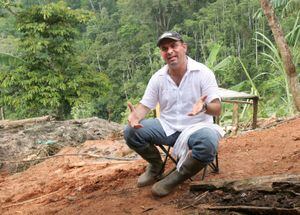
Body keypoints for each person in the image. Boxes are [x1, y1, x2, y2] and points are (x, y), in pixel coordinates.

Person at [124, 31, 224, 197]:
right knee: (130, 132)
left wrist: (204, 106)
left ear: (184, 47)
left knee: (208, 142)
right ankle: (156, 165)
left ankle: (176, 177)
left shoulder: (203, 73)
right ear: (162, 54)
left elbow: (217, 108)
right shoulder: (158, 78)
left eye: (173, 46)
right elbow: (144, 106)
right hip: (167, 127)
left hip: (197, 128)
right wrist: (135, 117)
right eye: (164, 48)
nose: (169, 51)